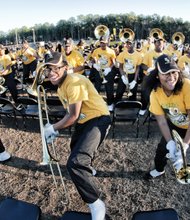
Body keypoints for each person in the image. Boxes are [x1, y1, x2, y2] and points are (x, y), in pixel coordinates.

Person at [43, 52, 111, 220]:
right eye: (48, 70)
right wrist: (56, 128)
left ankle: (96, 203)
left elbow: (72, 115)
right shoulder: (61, 85)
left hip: (98, 119)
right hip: (84, 120)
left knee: (75, 163)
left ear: (65, 67)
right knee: (75, 150)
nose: (51, 73)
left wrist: (53, 128)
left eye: (56, 69)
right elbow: (72, 114)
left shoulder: (73, 82)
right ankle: (87, 171)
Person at [144, 54, 190, 179]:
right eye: (166, 73)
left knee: (183, 151)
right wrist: (170, 142)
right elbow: (162, 121)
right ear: (158, 75)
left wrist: (185, 144)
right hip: (176, 125)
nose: (171, 77)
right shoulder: (155, 93)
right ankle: (159, 170)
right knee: (162, 149)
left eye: (173, 72)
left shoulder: (187, 86)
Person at [91, 36, 116, 111]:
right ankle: (95, 104)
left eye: (104, 43)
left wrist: (109, 68)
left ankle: (110, 104)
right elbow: (93, 60)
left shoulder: (111, 51)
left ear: (107, 43)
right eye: (101, 43)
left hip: (107, 71)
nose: (102, 45)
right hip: (99, 70)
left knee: (109, 88)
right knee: (97, 88)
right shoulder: (96, 51)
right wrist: (94, 65)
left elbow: (114, 63)